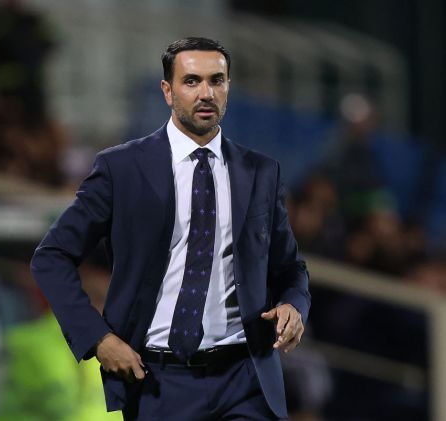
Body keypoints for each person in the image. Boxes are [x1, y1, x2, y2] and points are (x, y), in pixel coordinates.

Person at [31, 37, 310, 420]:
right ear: (167, 90)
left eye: (217, 80)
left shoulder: (260, 172)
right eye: (192, 81)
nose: (206, 93)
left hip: (245, 377)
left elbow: (291, 267)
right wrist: (98, 338)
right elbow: (51, 257)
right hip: (160, 382)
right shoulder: (122, 169)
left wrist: (295, 305)